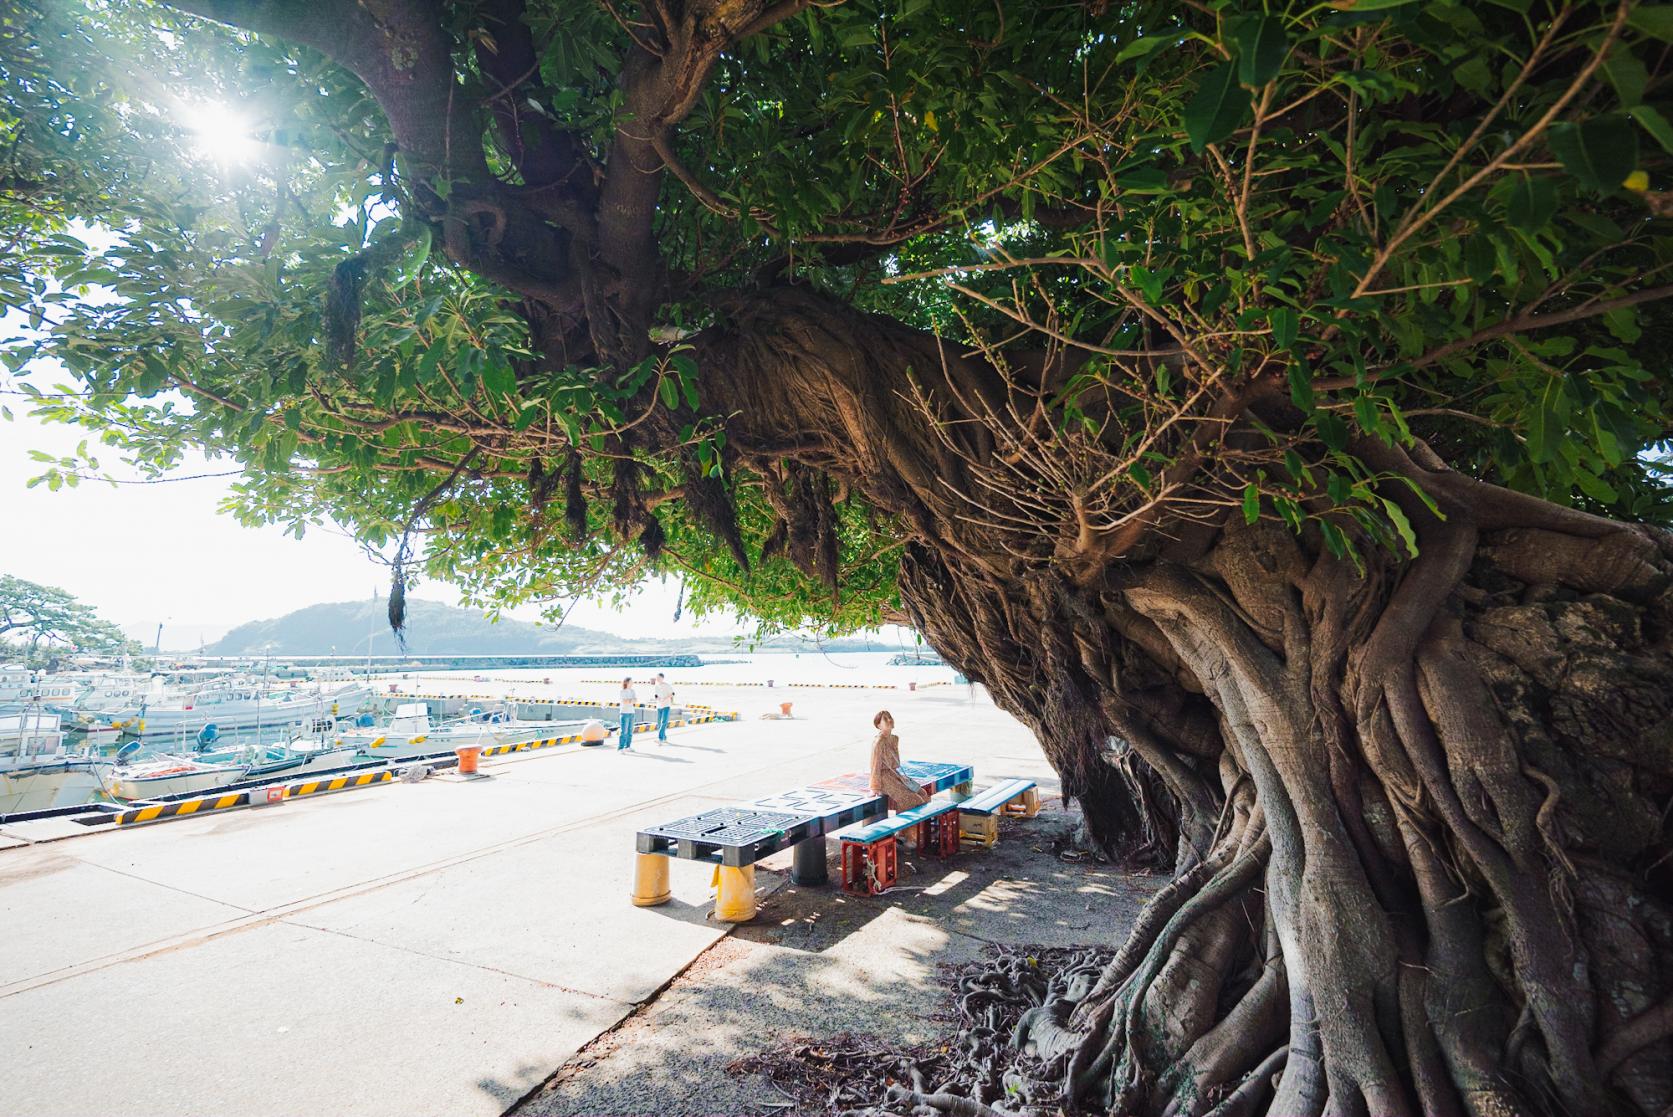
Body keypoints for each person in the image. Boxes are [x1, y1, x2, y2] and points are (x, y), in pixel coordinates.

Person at [868, 710, 929, 811]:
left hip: (894, 774)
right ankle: (906, 826)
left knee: (923, 793)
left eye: (890, 717)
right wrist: (875, 788)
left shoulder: (894, 739)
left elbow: (896, 764)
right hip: (883, 778)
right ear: (878, 725)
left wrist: (901, 777)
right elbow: (875, 765)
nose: (889, 720)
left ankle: (917, 825)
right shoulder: (878, 742)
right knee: (914, 799)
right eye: (885, 719)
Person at [653, 672, 674, 743]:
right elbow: (655, 695)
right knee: (659, 723)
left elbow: (672, 694)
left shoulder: (667, 685)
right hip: (659, 706)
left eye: (659, 678)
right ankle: (664, 738)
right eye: (657, 678)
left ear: (662, 678)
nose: (657, 679)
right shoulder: (656, 686)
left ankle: (660, 738)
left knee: (664, 722)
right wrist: (657, 698)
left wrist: (665, 698)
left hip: (666, 705)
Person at [617, 676, 637, 750]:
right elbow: (624, 701)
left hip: (632, 712)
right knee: (624, 732)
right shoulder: (622, 691)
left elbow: (635, 700)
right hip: (624, 713)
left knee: (630, 731)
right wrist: (631, 700)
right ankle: (620, 747)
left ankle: (628, 746)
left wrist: (630, 700)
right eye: (631, 682)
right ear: (627, 682)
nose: (632, 683)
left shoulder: (632, 691)